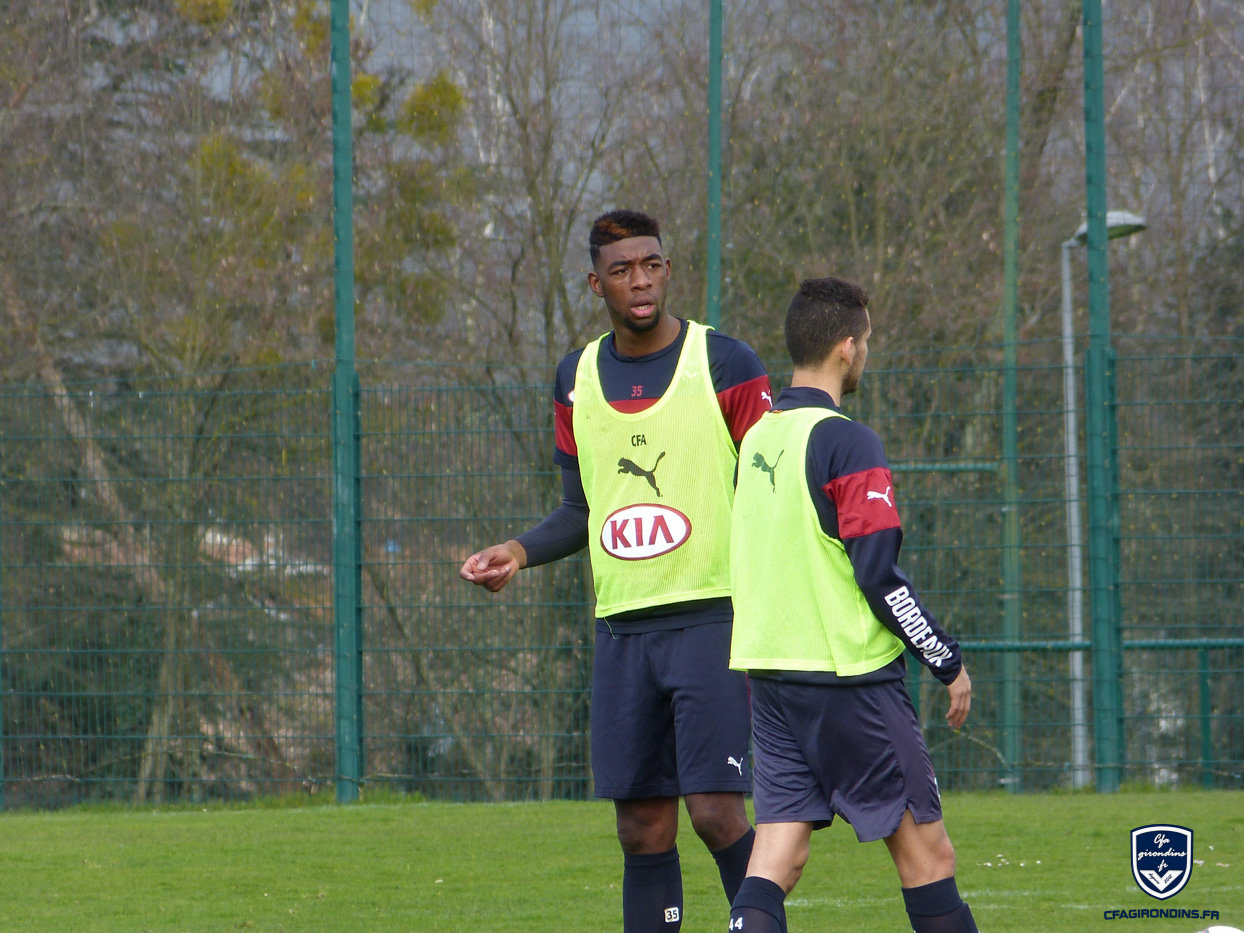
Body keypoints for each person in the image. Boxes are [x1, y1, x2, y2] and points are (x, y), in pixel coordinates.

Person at [459, 209, 772, 932]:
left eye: (652, 265)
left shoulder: (726, 363)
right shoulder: (575, 378)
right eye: (623, 269)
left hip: (713, 621)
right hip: (622, 632)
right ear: (596, 283)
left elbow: (771, 487)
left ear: (667, 270)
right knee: (640, 826)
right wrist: (518, 551)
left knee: (716, 812)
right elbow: (581, 507)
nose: (641, 281)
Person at [725, 277, 978, 933]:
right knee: (929, 858)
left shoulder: (757, 439)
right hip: (850, 681)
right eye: (866, 342)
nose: (867, 353)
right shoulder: (847, 441)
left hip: (771, 677)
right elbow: (880, 577)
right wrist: (946, 660)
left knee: (776, 858)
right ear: (846, 347)